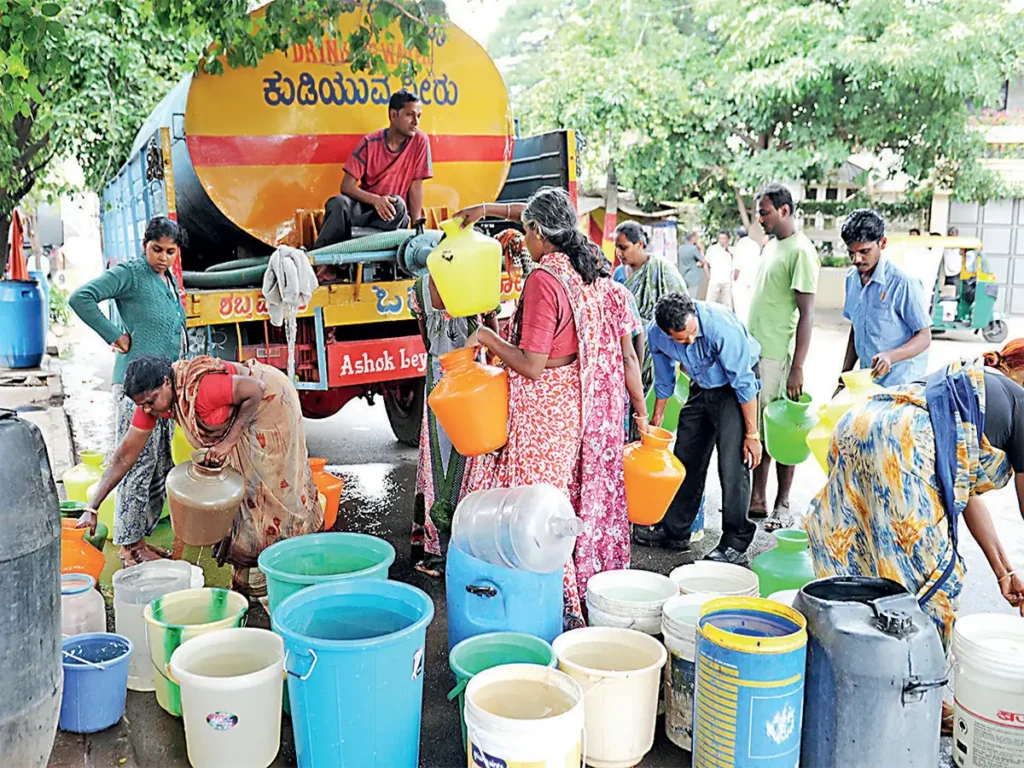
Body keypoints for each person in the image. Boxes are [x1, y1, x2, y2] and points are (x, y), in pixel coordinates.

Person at [454, 187, 647, 628]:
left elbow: (533, 364)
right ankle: (556, 607)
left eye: (525, 232)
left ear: (540, 233)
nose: (523, 239)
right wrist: (487, 209)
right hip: (569, 406)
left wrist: (486, 338)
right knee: (553, 505)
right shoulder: (581, 266)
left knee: (533, 514)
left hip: (543, 410)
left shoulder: (544, 279)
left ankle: (555, 614)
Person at [806, 350, 1024, 655]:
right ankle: (918, 694)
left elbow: (965, 497)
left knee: (860, 565)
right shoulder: (1019, 404)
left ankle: (851, 674)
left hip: (859, 423)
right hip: (902, 446)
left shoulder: (968, 386)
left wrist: (1005, 572)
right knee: (931, 590)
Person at [80, 355, 323, 594]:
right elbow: (124, 456)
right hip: (245, 402)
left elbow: (255, 390)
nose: (147, 409)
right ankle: (249, 573)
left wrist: (227, 443)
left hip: (269, 401)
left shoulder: (200, 390)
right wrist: (92, 507)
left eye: (151, 401)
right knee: (244, 494)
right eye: (141, 405)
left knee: (267, 488)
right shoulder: (152, 402)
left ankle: (290, 565)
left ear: (167, 382)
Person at [70, 216, 187, 567]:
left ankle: (140, 540)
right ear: (144, 245)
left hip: (161, 390)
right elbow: (81, 297)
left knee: (159, 464)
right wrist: (114, 335)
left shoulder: (165, 279)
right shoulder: (132, 273)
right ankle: (129, 547)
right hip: (136, 389)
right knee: (135, 462)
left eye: (170, 251)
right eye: (157, 250)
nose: (163, 257)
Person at [640, 292, 762, 563]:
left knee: (732, 462)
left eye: (692, 333)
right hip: (702, 383)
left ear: (694, 313)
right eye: (681, 339)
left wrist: (752, 434)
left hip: (735, 388)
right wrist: (657, 417)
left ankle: (735, 541)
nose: (690, 341)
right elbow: (664, 377)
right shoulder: (656, 334)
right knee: (686, 455)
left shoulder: (720, 326)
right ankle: (675, 530)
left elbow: (744, 382)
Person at [408, 271, 499, 577]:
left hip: (439, 380)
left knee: (438, 461)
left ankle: (437, 551)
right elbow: (492, 331)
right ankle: (475, 544)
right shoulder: (478, 277)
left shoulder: (420, 288)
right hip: (477, 380)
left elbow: (424, 338)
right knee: (476, 459)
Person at [746, 183, 818, 524]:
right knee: (758, 427)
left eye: (765, 212)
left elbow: (807, 313)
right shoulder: (771, 245)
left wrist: (798, 367)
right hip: (757, 351)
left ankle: (783, 503)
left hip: (780, 355)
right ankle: (757, 497)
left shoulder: (801, 251)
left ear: (785, 211)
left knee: (782, 429)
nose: (760, 219)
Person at [313, 90, 432, 248]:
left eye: (419, 116)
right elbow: (346, 186)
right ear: (393, 116)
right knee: (338, 203)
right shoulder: (369, 142)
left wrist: (417, 227)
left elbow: (416, 187)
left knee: (398, 205)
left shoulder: (420, 141)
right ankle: (321, 264)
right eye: (410, 115)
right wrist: (376, 200)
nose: (416, 122)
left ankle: (351, 236)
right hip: (365, 211)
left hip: (392, 214)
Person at [840, 209, 931, 387]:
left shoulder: (903, 283)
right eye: (851, 253)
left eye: (864, 251)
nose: (856, 259)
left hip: (901, 384)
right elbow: (857, 327)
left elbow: (924, 337)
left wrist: (891, 356)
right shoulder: (852, 278)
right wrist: (845, 375)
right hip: (868, 382)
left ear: (882, 243)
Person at [615, 221, 687, 436]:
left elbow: (683, 309)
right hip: (625, 355)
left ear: (640, 244)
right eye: (617, 247)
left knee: (649, 414)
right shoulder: (619, 274)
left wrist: (684, 359)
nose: (619, 253)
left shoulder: (662, 269)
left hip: (655, 356)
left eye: (624, 247)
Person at [731, 226, 762, 324]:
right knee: (750, 304)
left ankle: (742, 324)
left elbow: (737, 265)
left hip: (742, 280)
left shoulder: (740, 245)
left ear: (738, 235)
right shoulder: (755, 245)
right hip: (753, 278)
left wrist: (734, 279)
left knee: (740, 306)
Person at [703, 230, 735, 310]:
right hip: (715, 280)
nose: (722, 240)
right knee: (710, 302)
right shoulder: (712, 249)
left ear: (728, 239)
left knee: (728, 305)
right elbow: (705, 263)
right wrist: (708, 276)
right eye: (720, 238)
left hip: (727, 281)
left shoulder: (732, 250)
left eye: (724, 238)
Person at [677, 231, 707, 295]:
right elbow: (703, 260)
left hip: (684, 276)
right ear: (692, 238)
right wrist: (701, 250)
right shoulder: (694, 249)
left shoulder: (681, 248)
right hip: (693, 278)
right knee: (693, 298)